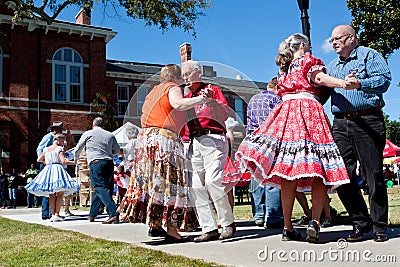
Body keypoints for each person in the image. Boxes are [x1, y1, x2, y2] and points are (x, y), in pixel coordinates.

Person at [236, 33, 351, 243]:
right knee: (319, 169)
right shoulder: (309, 61)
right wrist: (343, 83)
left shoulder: (283, 69)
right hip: (308, 111)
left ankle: (287, 227)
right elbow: (319, 78)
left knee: (288, 171)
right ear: (304, 45)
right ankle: (315, 221)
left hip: (287, 113)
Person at [118, 64, 205, 243]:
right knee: (169, 180)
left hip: (147, 140)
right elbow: (178, 104)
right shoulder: (172, 88)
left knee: (152, 182)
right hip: (164, 139)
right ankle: (172, 229)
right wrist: (200, 99)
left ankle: (155, 225)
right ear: (176, 77)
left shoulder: (153, 92)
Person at [326, 25, 391, 242]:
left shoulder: (369, 56)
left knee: (373, 174)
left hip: (367, 119)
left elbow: (384, 81)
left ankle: (379, 226)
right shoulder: (331, 66)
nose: (333, 43)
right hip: (340, 124)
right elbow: (321, 92)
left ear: (351, 38)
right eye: (332, 40)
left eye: (338, 39)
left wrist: (360, 84)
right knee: (341, 175)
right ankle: (360, 223)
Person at [182, 60, 236, 242]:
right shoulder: (189, 98)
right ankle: (209, 227)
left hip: (214, 138)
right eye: (182, 76)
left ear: (197, 72)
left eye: (187, 74)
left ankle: (227, 223)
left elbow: (224, 114)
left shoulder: (213, 89)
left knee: (213, 180)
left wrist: (211, 100)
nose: (185, 78)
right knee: (196, 185)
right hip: (195, 141)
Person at [246, 77, 284, 229]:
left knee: (256, 178)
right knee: (272, 179)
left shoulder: (253, 99)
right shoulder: (277, 100)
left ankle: (259, 215)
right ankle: (273, 217)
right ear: (278, 87)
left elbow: (249, 124)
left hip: (254, 140)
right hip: (271, 139)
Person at [74, 117, 121, 224]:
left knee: (100, 187)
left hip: (96, 162)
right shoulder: (110, 135)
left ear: (93, 124)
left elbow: (78, 148)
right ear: (103, 125)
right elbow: (117, 150)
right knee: (104, 189)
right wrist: (108, 152)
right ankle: (92, 214)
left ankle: (113, 213)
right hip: (109, 163)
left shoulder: (88, 134)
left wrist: (76, 159)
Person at [25, 134, 79, 222]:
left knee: (52, 194)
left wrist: (46, 162)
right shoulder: (59, 149)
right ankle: (57, 214)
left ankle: (53, 214)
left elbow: (39, 159)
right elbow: (63, 161)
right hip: (57, 169)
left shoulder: (46, 149)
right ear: (57, 140)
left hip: (48, 170)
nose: (63, 144)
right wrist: (74, 163)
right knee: (60, 193)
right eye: (62, 141)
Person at [36, 121, 63, 219]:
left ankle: (52, 213)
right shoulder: (49, 137)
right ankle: (45, 212)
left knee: (52, 189)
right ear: (55, 130)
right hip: (48, 165)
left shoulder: (56, 139)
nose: (61, 130)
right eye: (60, 129)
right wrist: (43, 161)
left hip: (53, 165)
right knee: (48, 188)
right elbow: (40, 149)